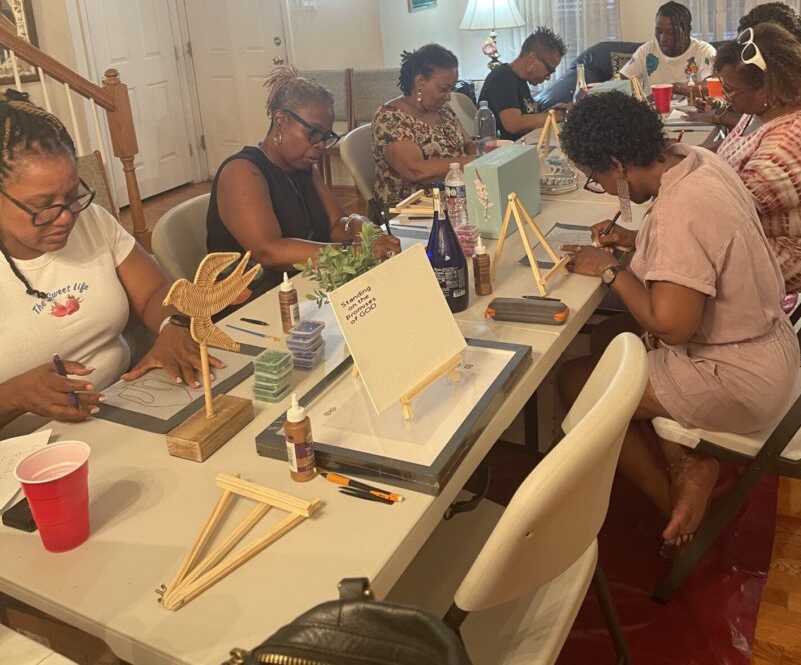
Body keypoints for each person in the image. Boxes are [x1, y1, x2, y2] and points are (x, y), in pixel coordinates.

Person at [558, 91, 799, 549]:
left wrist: (609, 269)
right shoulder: (697, 160)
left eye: (598, 179)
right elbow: (698, 249)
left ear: (617, 163)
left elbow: (671, 326)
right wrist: (636, 242)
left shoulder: (678, 208)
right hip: (768, 346)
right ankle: (688, 460)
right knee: (613, 334)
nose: (604, 189)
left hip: (736, 376)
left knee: (575, 382)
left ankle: (672, 506)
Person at [0, 90, 212, 437]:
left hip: (124, 409)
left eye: (72, 196)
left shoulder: (93, 222)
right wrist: (14, 395)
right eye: (43, 206)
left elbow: (153, 291)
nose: (67, 216)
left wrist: (173, 325)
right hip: (31, 452)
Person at [208, 66, 399, 294]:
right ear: (280, 120)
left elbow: (333, 224)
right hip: (250, 299)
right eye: (314, 132)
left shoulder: (303, 167)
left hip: (303, 286)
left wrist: (360, 226)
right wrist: (354, 253)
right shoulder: (242, 171)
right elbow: (268, 251)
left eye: (326, 136)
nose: (320, 144)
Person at [713, 23, 801, 292]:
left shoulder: (788, 144)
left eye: (730, 89)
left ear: (766, 89)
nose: (725, 95)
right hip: (748, 236)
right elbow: (728, 159)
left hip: (784, 260)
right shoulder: (760, 113)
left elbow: (727, 212)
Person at [372, 44, 477, 206]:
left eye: (452, 88)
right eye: (443, 88)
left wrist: (480, 157)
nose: (449, 97)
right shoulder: (390, 118)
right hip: (414, 209)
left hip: (456, 197)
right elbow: (416, 170)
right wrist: (474, 163)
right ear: (420, 81)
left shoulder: (443, 110)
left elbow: (468, 143)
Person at [477, 26, 566, 140]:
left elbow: (527, 119)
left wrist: (551, 111)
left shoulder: (520, 80)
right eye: (549, 70)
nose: (548, 77)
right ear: (531, 58)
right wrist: (558, 116)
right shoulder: (502, 78)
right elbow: (514, 124)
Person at [620, 1, 715, 95]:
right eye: (658, 31)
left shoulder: (704, 51)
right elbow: (622, 79)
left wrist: (675, 88)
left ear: (687, 31)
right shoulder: (646, 50)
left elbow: (713, 86)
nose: (663, 39)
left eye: (671, 33)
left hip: (692, 110)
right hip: (654, 110)